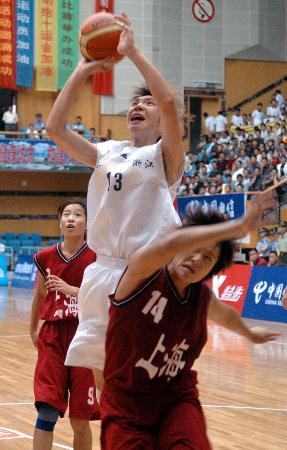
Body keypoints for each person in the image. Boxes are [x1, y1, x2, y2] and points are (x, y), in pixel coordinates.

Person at [45, 12, 184, 389]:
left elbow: (170, 102)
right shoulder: (107, 152)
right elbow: (54, 129)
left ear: (162, 120)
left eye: (148, 103)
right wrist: (83, 69)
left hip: (144, 274)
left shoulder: (165, 157)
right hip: (101, 271)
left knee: (140, 379)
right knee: (104, 382)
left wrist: (134, 52)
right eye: (134, 103)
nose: (138, 106)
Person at [100, 193, 279, 449]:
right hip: (126, 403)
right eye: (194, 248)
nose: (197, 259)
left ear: (212, 270)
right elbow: (170, 242)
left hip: (175, 398)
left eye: (208, 258)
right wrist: (236, 227)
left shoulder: (201, 296)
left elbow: (225, 314)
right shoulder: (142, 272)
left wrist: (249, 333)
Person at [30, 200, 99, 450]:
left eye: (77, 214)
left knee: (81, 420)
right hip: (53, 336)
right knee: (46, 413)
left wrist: (72, 290)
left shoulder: (97, 257)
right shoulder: (45, 256)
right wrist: (33, 329)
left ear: (87, 224)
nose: (71, 218)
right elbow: (39, 295)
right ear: (60, 223)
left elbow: (105, 299)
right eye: (66, 214)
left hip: (85, 335)